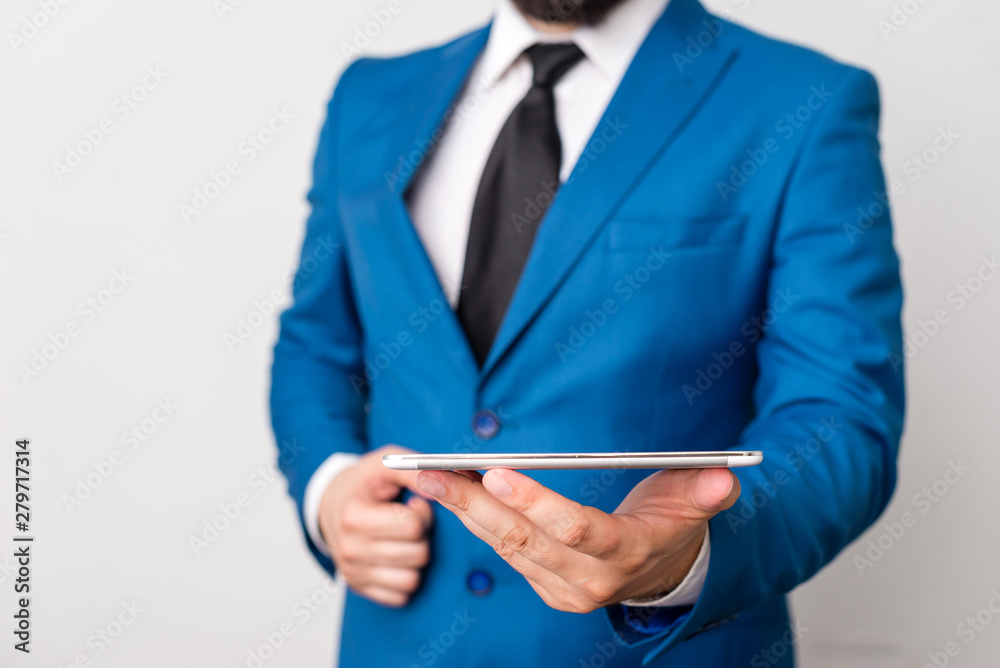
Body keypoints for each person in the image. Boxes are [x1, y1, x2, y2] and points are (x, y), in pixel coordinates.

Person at [270, 0, 905, 664]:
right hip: (399, 642)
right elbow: (315, 344)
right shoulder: (369, 96)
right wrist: (329, 489)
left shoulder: (803, 102)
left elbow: (840, 414)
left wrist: (690, 558)